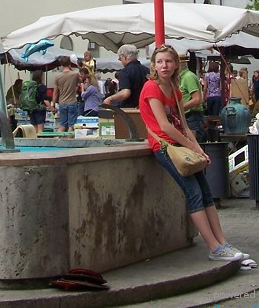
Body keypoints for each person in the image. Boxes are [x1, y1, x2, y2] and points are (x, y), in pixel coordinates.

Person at [140, 45, 246, 263]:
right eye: (159, 62)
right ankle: (214, 247)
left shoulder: (175, 89)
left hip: (181, 146)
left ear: (176, 64)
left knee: (206, 193)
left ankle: (222, 242)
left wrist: (199, 150)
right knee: (194, 193)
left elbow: (184, 126)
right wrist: (191, 146)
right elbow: (165, 126)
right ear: (153, 65)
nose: (164, 66)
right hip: (165, 146)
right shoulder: (152, 88)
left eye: (168, 61)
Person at [103, 44, 146, 109]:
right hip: (145, 108)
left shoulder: (125, 71)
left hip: (129, 110)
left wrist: (110, 99)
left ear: (124, 57)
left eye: (120, 59)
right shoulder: (146, 70)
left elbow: (125, 93)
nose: (121, 61)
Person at [52, 55, 81, 131]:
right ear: (70, 63)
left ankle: (57, 139)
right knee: (71, 125)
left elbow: (55, 93)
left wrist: (53, 105)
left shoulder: (57, 76)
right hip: (72, 102)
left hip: (62, 102)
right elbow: (81, 81)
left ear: (61, 64)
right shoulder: (75, 74)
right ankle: (70, 141)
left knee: (62, 124)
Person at [179, 61, 206, 142]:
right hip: (188, 116)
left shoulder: (188, 77)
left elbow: (197, 99)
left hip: (193, 117)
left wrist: (179, 109)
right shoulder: (183, 77)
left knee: (194, 145)